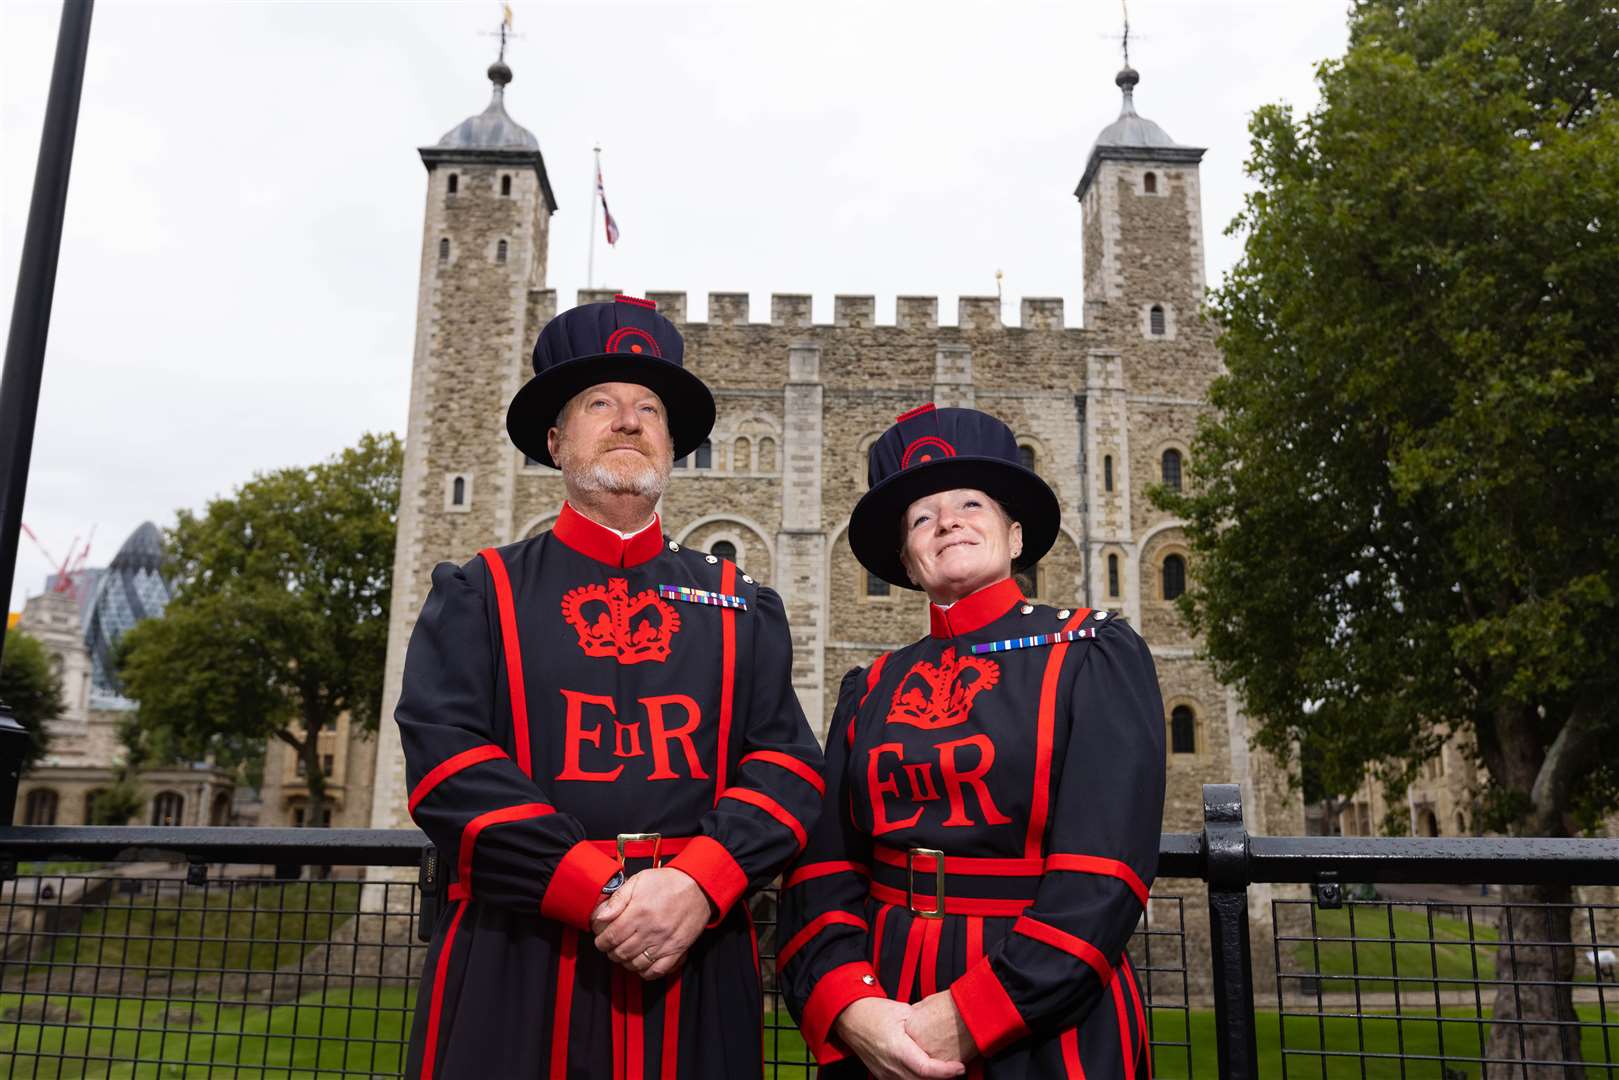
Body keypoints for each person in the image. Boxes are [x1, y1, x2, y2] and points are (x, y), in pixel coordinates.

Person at [399, 295, 825, 1079]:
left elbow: (789, 767)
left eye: (650, 409)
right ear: (557, 442)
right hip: (519, 950)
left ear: (672, 445)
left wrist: (701, 882)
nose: (628, 421)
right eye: (601, 404)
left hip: (696, 949)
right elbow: (446, 762)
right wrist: (597, 891)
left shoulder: (743, 603)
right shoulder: (479, 591)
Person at [777, 405, 1166, 1079]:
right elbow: (823, 870)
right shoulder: (868, 687)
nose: (946, 521)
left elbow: (1103, 875)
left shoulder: (1090, 652)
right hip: (883, 1000)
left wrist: (968, 1015)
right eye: (922, 517)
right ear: (906, 557)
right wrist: (852, 1006)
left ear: (1015, 535)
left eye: (969, 503)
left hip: (1043, 1008)